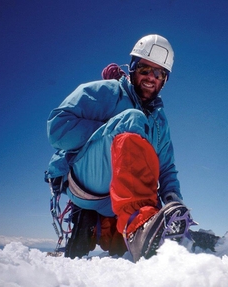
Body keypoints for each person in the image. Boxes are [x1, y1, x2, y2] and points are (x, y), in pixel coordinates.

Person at [45, 34, 193, 262]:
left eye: (158, 73)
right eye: (145, 69)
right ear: (133, 68)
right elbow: (58, 129)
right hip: (88, 180)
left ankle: (150, 230)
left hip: (116, 199)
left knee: (150, 181)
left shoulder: (159, 122)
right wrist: (113, 130)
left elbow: (167, 169)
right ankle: (138, 226)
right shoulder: (107, 93)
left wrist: (174, 201)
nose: (151, 78)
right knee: (132, 119)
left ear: (165, 80)